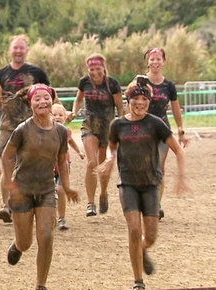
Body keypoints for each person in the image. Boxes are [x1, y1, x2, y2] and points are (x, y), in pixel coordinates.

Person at [98, 80, 188, 290]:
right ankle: (138, 280)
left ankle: (143, 249)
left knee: (151, 236)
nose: (140, 103)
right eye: (136, 99)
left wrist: (181, 176)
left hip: (151, 184)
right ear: (128, 101)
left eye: (144, 99)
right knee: (133, 230)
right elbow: (112, 148)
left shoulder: (155, 123)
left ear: (149, 102)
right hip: (128, 183)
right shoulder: (118, 125)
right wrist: (109, 160)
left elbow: (178, 150)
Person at [2, 83, 79, 290]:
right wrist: (10, 185)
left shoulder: (61, 131)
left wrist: (68, 185)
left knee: (46, 235)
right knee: (26, 242)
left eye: (46, 98)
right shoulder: (22, 130)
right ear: (31, 104)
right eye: (37, 99)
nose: (42, 102)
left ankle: (40, 284)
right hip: (23, 189)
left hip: (46, 189)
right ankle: (18, 246)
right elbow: (7, 156)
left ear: (52, 101)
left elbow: (62, 161)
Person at [0, 34, 52, 224]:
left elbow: (49, 95)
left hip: (31, 127)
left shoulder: (37, 73)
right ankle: (7, 206)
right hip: (8, 127)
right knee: (7, 165)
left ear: (26, 50)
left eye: (21, 47)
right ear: (9, 50)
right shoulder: (0, 74)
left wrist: (54, 115)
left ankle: (32, 203)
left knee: (29, 165)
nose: (18, 51)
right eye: (15, 47)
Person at [128, 47, 189, 220]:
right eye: (152, 59)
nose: (155, 62)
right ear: (147, 61)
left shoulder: (168, 85)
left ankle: (155, 204)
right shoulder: (139, 81)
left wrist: (180, 129)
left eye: (158, 59)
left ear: (163, 61)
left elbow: (175, 107)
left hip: (161, 130)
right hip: (140, 129)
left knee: (158, 169)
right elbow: (129, 101)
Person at [68, 53, 123, 216]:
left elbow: (119, 106)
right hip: (89, 125)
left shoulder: (112, 83)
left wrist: (121, 123)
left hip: (108, 127)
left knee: (103, 165)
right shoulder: (84, 81)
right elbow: (78, 99)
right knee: (92, 163)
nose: (95, 72)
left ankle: (103, 192)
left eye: (98, 69)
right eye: (92, 69)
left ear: (103, 67)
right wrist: (74, 111)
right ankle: (90, 203)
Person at [52, 103, 84, 230]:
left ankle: (62, 218)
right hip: (47, 166)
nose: (57, 117)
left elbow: (71, 142)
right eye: (54, 115)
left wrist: (79, 152)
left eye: (61, 115)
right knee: (48, 192)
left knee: (60, 190)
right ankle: (50, 217)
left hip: (63, 165)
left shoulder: (66, 131)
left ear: (65, 118)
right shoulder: (44, 130)